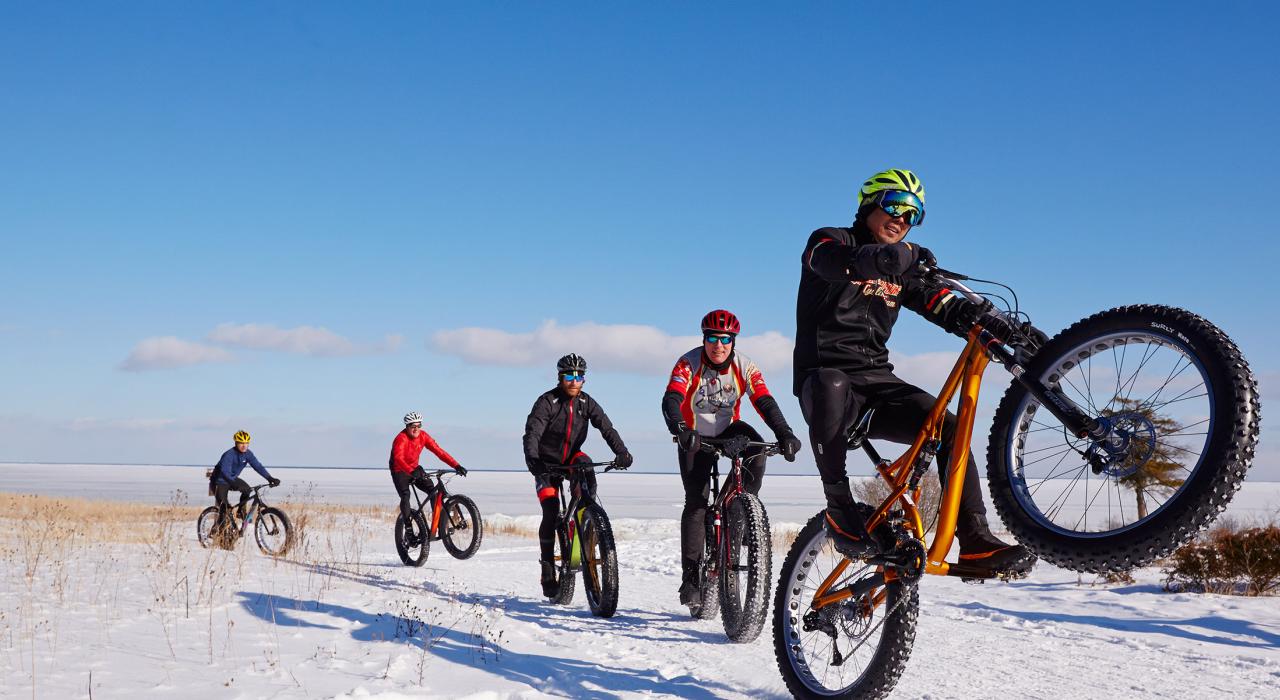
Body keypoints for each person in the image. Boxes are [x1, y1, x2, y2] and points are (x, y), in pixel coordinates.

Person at [794, 168, 1035, 576]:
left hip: (877, 384)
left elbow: (943, 306)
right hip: (825, 384)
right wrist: (890, 259)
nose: (903, 219)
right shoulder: (831, 240)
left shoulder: (902, 269)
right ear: (870, 203)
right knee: (830, 381)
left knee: (951, 429)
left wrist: (1001, 326)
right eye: (896, 205)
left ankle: (974, 539)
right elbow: (837, 262)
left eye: (914, 213)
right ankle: (839, 506)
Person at [662, 309, 802, 608]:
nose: (718, 345)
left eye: (725, 339)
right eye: (712, 338)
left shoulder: (745, 366)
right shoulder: (688, 363)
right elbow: (671, 398)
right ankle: (691, 578)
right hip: (694, 434)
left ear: (733, 341)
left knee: (757, 447)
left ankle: (736, 510)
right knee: (696, 503)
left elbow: (764, 400)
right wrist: (680, 429)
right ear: (704, 339)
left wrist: (785, 433)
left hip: (727, 431)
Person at [523, 353, 634, 598]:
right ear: (560, 377)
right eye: (569, 376)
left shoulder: (586, 402)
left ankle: (588, 521)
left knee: (586, 467)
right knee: (551, 513)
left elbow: (606, 427)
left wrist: (622, 452)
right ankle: (548, 567)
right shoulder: (547, 402)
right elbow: (532, 432)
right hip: (546, 463)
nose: (574, 381)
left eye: (579, 376)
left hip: (572, 458)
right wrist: (533, 460)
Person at [390, 412, 467, 543]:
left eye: (418, 425)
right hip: (399, 470)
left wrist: (456, 465)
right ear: (407, 426)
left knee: (434, 492)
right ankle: (408, 528)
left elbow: (439, 451)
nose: (416, 429)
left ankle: (439, 525)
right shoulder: (401, 438)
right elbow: (398, 459)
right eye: (412, 426)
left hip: (415, 468)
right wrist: (410, 471)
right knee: (405, 495)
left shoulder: (423, 436)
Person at [212, 430, 280, 521]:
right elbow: (225, 472)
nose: (244, 446)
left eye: (246, 443)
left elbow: (258, 466)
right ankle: (216, 531)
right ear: (236, 443)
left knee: (247, 490)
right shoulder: (229, 455)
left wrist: (269, 478)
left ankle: (241, 512)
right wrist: (233, 482)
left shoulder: (248, 454)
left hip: (232, 479)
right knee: (225, 509)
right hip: (219, 481)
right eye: (241, 443)